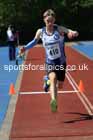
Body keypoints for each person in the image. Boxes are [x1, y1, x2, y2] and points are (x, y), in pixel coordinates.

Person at [19, 9, 78, 112]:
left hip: (61, 63)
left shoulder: (59, 29)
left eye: (51, 21)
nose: (50, 23)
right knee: (53, 78)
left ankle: (46, 81)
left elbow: (70, 31)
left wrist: (74, 33)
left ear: (54, 20)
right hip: (50, 62)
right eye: (48, 21)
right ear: (44, 21)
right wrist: (25, 48)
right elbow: (34, 42)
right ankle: (54, 101)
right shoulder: (40, 32)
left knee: (60, 85)